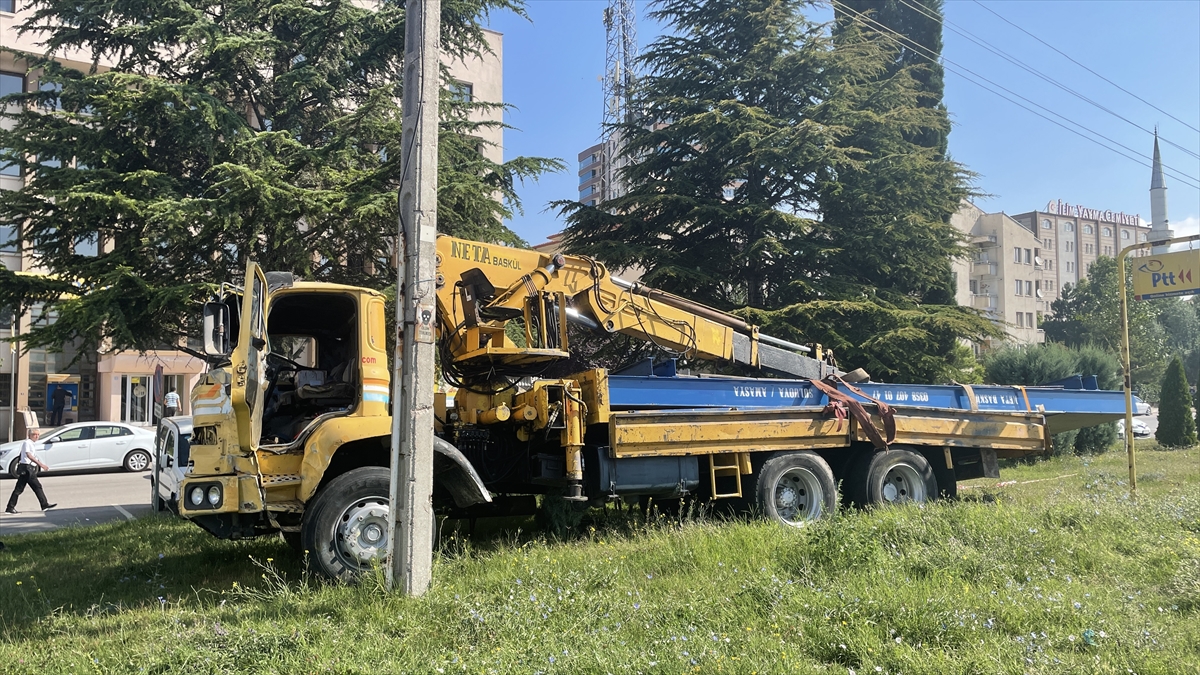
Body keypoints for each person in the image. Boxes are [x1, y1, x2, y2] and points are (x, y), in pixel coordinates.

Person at [5, 429, 57, 514]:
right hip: (27, 469)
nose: (36, 436)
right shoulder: (27, 443)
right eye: (34, 434)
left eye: (38, 434)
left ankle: (44, 505)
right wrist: (41, 464)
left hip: (28, 468)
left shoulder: (31, 444)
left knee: (30, 487)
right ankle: (10, 507)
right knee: (28, 488)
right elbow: (29, 455)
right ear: (29, 435)